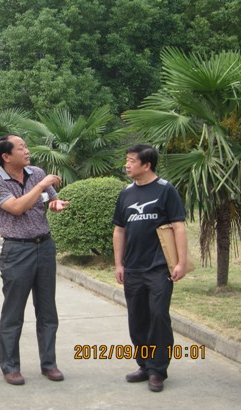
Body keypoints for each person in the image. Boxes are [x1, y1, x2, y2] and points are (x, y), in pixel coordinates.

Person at [0, 134, 70, 386]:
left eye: (26, 146)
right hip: (17, 250)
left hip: (44, 246)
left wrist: (55, 203)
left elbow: (51, 198)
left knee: (47, 310)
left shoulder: (36, 173)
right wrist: (41, 184)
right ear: (6, 156)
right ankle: (10, 366)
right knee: (13, 312)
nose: (27, 151)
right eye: (21, 147)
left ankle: (49, 364)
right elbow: (17, 207)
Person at [112, 144, 188, 393]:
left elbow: (178, 226)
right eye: (127, 160)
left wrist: (181, 262)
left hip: (158, 268)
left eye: (132, 161)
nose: (127, 165)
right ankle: (144, 365)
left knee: (158, 316)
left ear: (147, 165)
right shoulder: (126, 193)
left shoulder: (165, 190)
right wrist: (119, 264)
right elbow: (119, 230)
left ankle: (158, 370)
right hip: (133, 268)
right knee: (137, 319)